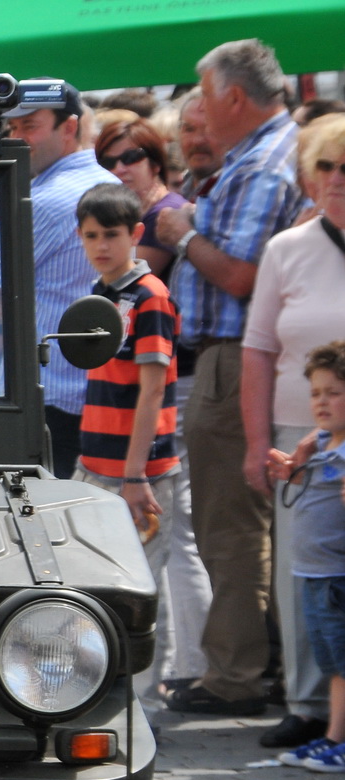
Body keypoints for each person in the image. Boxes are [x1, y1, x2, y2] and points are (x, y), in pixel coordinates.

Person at [155, 40, 307, 716]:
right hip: (235, 353)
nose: (199, 111)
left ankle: (235, 673)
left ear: (235, 98)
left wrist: (184, 234)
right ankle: (247, 663)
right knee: (239, 523)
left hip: (231, 353)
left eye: (206, 96)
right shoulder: (268, 153)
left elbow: (241, 274)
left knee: (229, 526)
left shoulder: (262, 164)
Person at [240, 114, 345, 744]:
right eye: (325, 166)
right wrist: (258, 443)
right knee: (305, 574)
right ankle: (308, 705)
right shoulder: (287, 249)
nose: (335, 180)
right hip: (302, 430)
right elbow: (257, 350)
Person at [0, 79, 116, 476]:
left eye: (32, 126)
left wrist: (6, 305)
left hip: (48, 397)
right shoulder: (109, 185)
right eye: (13, 128)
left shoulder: (41, 201)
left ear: (70, 128)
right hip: (86, 393)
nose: (19, 138)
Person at [66, 184, 183, 708]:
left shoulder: (151, 295)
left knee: (139, 589)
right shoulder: (102, 292)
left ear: (136, 234)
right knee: (87, 582)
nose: (101, 245)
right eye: (91, 235)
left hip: (141, 473)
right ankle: (99, 690)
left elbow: (153, 385)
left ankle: (145, 705)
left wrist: (135, 475)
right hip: (95, 464)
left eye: (111, 235)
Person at [266, 344, 345, 770]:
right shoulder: (320, 442)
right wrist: (292, 467)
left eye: (333, 392)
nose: (321, 402)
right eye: (316, 393)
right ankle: (334, 737)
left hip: (337, 575)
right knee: (334, 664)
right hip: (315, 573)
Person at [94, 118, 189, 279]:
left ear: (155, 163)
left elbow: (126, 280)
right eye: (108, 162)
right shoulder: (132, 211)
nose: (119, 169)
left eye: (131, 157)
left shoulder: (163, 212)